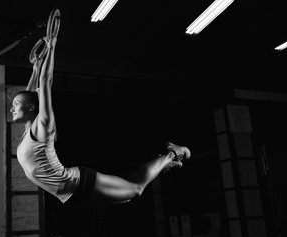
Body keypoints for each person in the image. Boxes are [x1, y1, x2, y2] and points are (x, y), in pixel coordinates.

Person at [10, 36, 190, 205]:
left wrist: (51, 46)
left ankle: (171, 153)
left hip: (78, 182)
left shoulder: (42, 126)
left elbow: (45, 81)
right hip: (72, 194)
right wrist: (36, 68)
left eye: (16, 104)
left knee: (136, 190)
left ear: (31, 108)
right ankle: (161, 163)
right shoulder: (28, 130)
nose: (12, 108)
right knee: (125, 199)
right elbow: (30, 95)